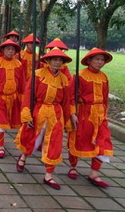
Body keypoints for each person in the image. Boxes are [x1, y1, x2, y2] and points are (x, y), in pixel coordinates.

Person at [14, 48, 72, 190]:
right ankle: (23, 156)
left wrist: (67, 120)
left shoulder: (64, 80)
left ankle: (48, 175)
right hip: (38, 111)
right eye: (55, 59)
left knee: (54, 143)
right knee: (32, 138)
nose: (57, 62)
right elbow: (28, 96)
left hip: (56, 114)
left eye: (60, 60)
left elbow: (66, 102)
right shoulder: (38, 75)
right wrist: (27, 114)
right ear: (48, 61)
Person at [67, 48, 114, 188]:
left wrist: (105, 113)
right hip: (84, 112)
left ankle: (94, 173)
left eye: (102, 60)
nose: (100, 62)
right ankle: (73, 167)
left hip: (100, 114)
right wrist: (72, 113)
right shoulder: (80, 76)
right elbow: (71, 96)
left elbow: (105, 97)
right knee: (78, 139)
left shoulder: (104, 77)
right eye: (97, 59)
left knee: (103, 142)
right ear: (89, 60)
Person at [0, 40, 25, 158]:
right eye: (8, 49)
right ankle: (1, 147)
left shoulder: (18, 64)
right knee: (1, 122)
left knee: (8, 121)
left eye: (12, 49)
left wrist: (23, 99)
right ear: (3, 50)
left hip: (13, 99)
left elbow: (22, 82)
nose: (10, 51)